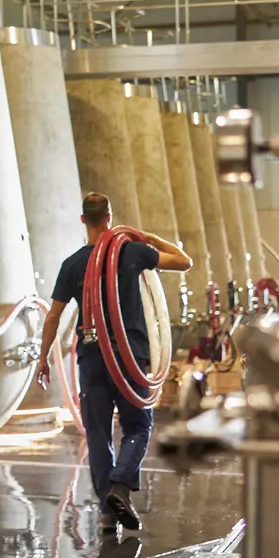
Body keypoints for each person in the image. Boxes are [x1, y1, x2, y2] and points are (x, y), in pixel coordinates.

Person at [35, 192, 192, 533]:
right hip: (130, 355)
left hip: (91, 357)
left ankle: (108, 512)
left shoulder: (73, 264)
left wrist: (43, 357)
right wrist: (150, 239)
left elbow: (53, 317)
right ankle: (119, 487)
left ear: (82, 220)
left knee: (97, 433)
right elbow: (183, 261)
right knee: (138, 426)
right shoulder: (132, 251)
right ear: (110, 215)